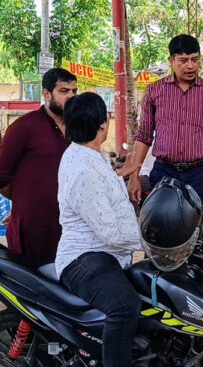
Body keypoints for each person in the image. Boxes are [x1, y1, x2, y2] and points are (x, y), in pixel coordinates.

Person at [55, 93, 141, 367]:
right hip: (85, 257)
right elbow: (111, 233)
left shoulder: (88, 154)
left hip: (104, 254)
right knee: (125, 307)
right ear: (103, 125)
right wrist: (152, 242)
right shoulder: (84, 169)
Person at [125, 34, 203, 222]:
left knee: (198, 232)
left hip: (200, 174)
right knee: (160, 227)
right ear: (171, 61)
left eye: (195, 60)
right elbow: (144, 136)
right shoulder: (155, 91)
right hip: (164, 172)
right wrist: (134, 176)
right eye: (183, 60)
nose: (190, 66)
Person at [0, 68, 77, 262]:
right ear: (47, 94)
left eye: (74, 91)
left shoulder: (77, 128)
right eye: (63, 91)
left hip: (68, 227)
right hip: (33, 227)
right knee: (33, 284)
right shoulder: (24, 127)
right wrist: (24, 201)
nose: (71, 96)